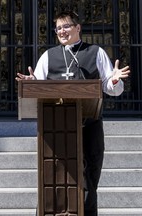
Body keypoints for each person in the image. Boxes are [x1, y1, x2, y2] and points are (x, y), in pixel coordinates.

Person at [16, 11, 130, 216]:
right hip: (55, 130)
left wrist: (114, 81)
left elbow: (111, 87)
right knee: (53, 175)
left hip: (89, 125)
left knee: (89, 177)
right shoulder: (48, 56)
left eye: (66, 26)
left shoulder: (95, 52)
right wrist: (32, 84)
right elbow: (39, 85)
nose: (62, 31)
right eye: (58, 28)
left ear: (78, 28)